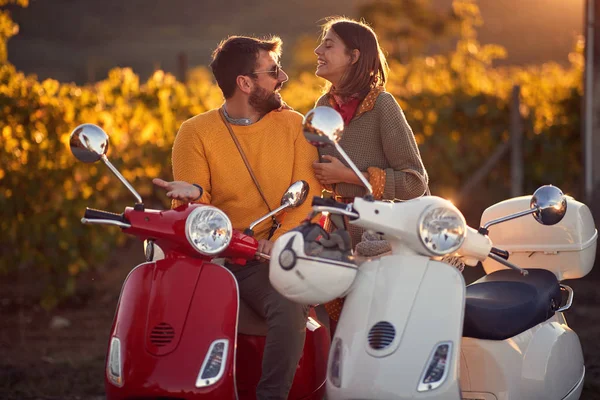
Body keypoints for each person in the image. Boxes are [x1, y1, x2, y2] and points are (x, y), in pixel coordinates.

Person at [153, 35, 322, 400]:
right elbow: (195, 213)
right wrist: (195, 198)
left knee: (289, 303)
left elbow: (305, 202)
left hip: (276, 256)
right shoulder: (194, 133)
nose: (284, 78)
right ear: (245, 83)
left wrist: (275, 246)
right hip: (222, 258)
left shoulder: (295, 126)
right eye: (273, 71)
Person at [311, 17, 429, 322]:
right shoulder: (323, 104)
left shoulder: (382, 106)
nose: (317, 50)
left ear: (353, 56)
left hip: (379, 240)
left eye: (328, 44)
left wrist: (347, 177)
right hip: (335, 236)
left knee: (377, 328)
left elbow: (414, 183)